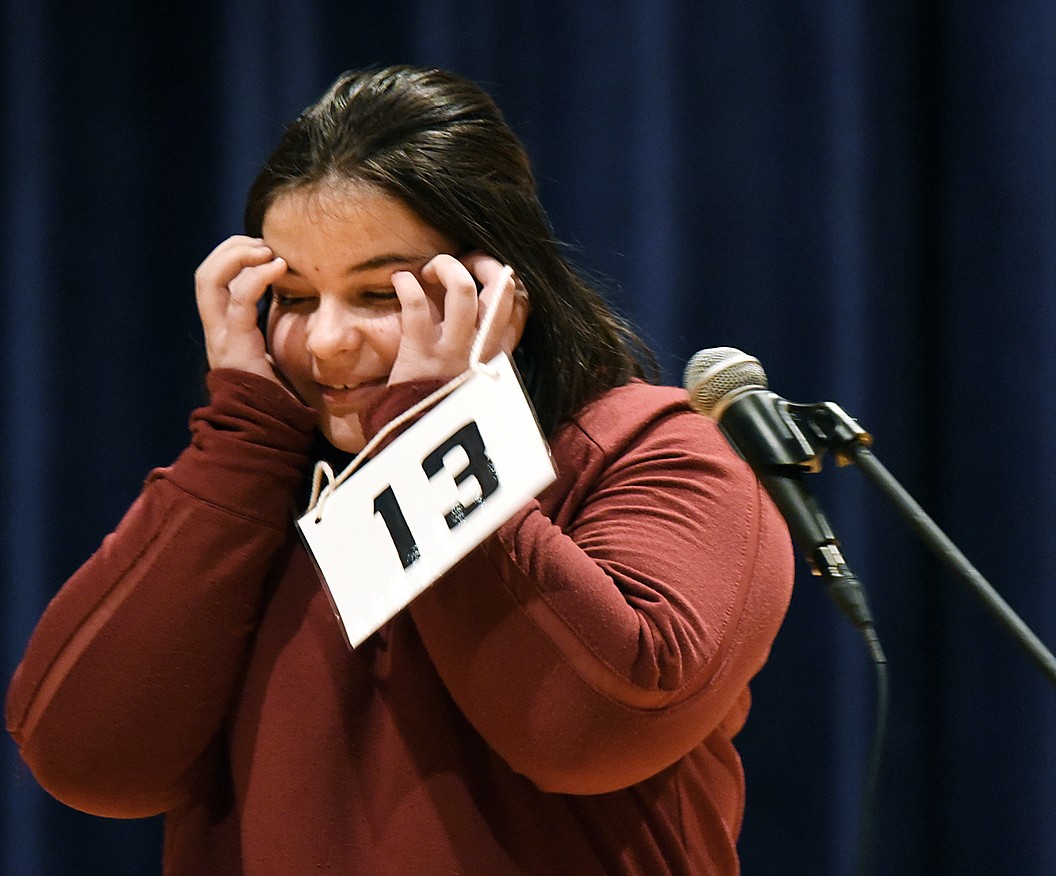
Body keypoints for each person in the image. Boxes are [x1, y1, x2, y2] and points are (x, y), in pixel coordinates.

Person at [6, 64, 794, 875]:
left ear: (495, 289)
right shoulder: (247, 487)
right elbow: (83, 758)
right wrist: (240, 443)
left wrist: (436, 427)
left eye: (381, 293)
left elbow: (584, 732)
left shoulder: (653, 453)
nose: (326, 344)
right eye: (298, 297)